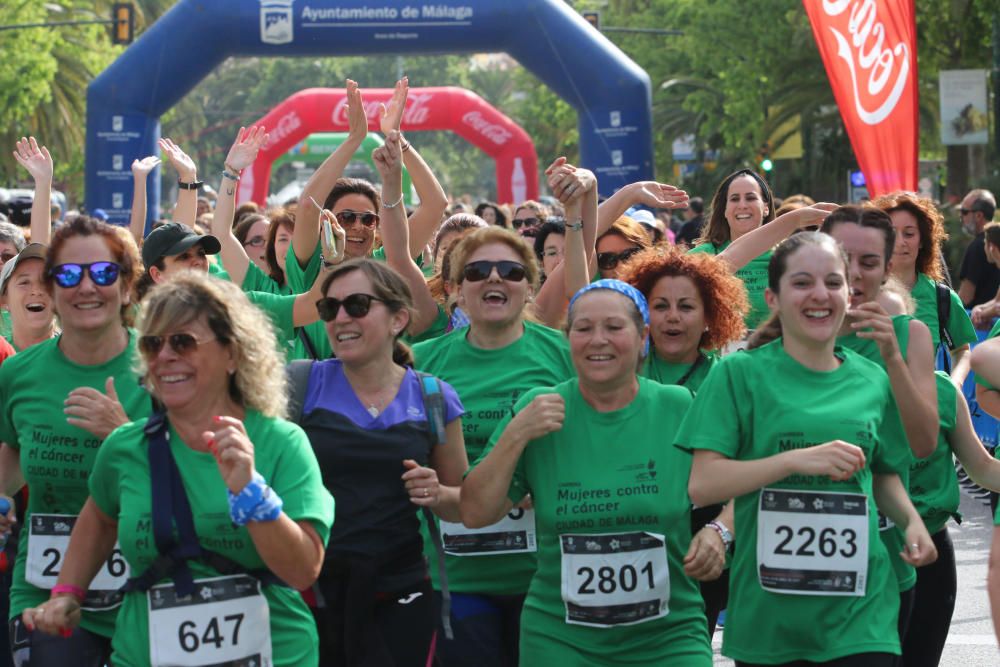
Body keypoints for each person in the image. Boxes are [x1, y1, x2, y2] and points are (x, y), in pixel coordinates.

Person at [21, 272, 334, 666]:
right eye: (153, 344)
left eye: (183, 342)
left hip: (275, 654)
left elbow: (304, 570)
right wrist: (68, 592)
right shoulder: (125, 447)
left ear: (233, 353)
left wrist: (252, 493)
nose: (165, 356)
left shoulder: (281, 443)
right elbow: (99, 518)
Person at [679, 231, 936, 666]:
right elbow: (703, 485)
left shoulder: (871, 380)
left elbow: (884, 470)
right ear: (773, 299)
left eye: (833, 283)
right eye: (802, 283)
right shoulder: (738, 375)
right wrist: (795, 460)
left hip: (861, 615)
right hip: (770, 620)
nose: (821, 295)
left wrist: (910, 521)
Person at [461, 279, 716, 664]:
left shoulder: (677, 406)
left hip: (668, 635)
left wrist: (720, 531)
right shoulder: (540, 409)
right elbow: (475, 512)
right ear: (568, 338)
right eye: (583, 329)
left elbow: (744, 481)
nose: (598, 340)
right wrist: (515, 435)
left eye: (614, 327)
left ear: (643, 335)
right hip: (561, 639)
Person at [411, 223, 576, 666]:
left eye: (511, 270)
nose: (495, 278)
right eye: (478, 270)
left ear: (529, 287)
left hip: (547, 577)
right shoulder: (423, 364)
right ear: (455, 290)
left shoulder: (563, 353)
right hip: (458, 577)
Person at [292, 257, 468, 665]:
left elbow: (463, 503)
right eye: (328, 308)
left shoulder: (434, 396)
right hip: (314, 592)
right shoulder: (298, 384)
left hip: (402, 590)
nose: (339, 318)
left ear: (398, 319)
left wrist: (437, 492)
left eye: (356, 305)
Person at [0, 216, 151, 666]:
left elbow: (195, 478)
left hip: (147, 588)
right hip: (43, 591)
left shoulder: (164, 367)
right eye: (68, 274)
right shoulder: (17, 374)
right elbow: (10, 464)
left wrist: (123, 436)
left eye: (103, 273)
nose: (86, 286)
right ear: (51, 289)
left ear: (126, 288)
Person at [872, 192, 976, 386]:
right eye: (891, 233)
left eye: (909, 233)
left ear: (922, 241)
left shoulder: (942, 297)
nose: (900, 241)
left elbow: (962, 350)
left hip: (926, 408)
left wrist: (955, 384)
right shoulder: (861, 293)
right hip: (873, 411)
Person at [689, 169, 777, 330]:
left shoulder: (787, 258)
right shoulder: (698, 258)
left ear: (766, 208)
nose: (742, 205)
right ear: (725, 210)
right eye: (735, 199)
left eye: (750, 198)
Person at [0, 244, 56, 351]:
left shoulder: (81, 356)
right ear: (4, 300)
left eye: (46, 281)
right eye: (24, 282)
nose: (36, 291)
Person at [957, 188, 999, 309]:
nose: (961, 217)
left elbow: (965, 297)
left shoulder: (977, 246)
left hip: (979, 323)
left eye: (964, 212)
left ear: (979, 215)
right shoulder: (996, 242)